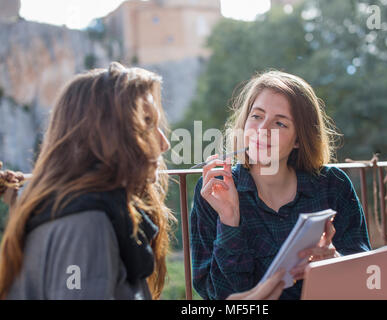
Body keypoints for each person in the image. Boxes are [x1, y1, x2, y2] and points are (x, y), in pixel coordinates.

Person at [0, 62, 285, 300]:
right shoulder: (85, 224)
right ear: (106, 138)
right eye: (147, 125)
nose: (163, 144)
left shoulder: (99, 212)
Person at [190, 70, 372, 300]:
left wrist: (334, 263)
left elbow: (368, 281)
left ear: (299, 139)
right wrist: (229, 218)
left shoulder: (332, 185)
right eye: (256, 116)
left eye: (280, 123)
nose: (262, 130)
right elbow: (221, 297)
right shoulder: (215, 191)